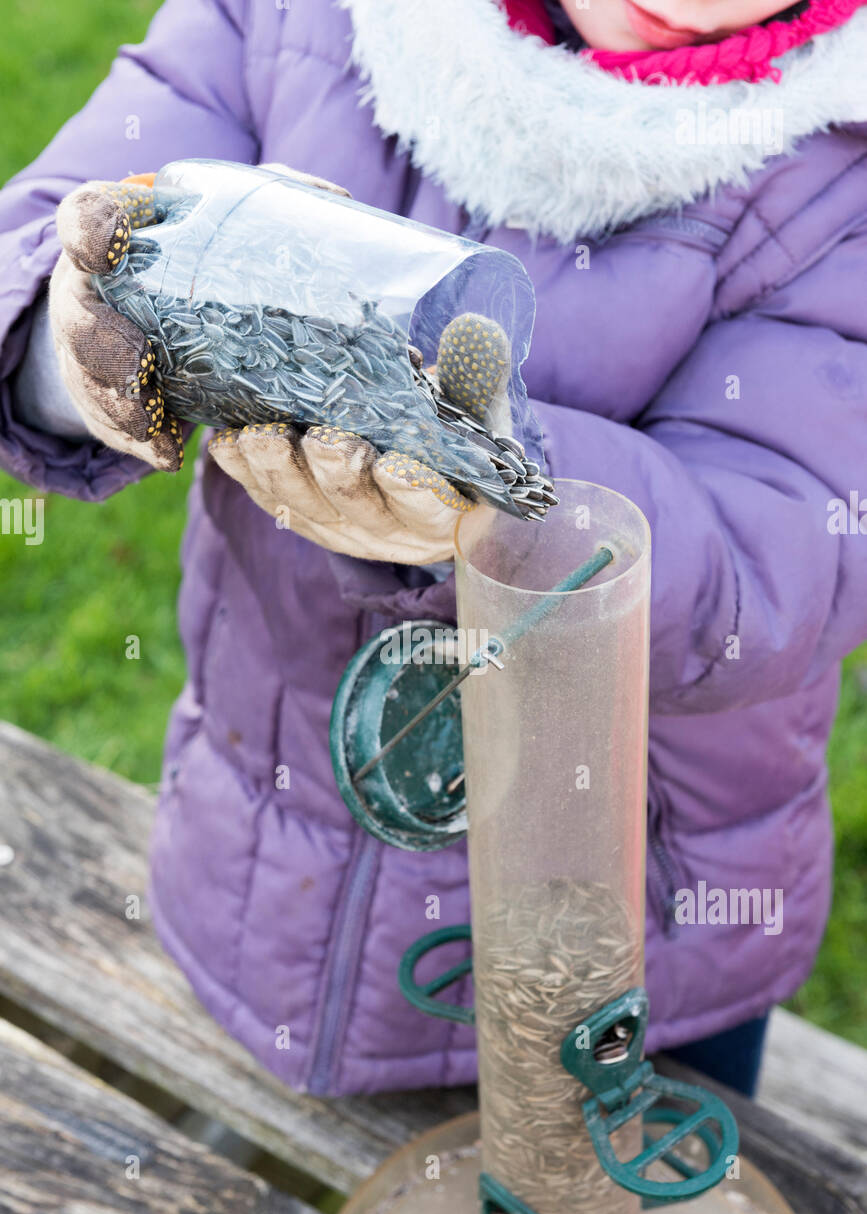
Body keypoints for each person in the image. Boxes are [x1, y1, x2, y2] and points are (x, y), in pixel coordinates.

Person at [1, 0, 865, 1097]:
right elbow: (52, 229)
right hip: (262, 871)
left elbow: (771, 559)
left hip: (636, 952)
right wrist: (73, 348)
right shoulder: (293, 18)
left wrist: (509, 488)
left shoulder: (843, 157)